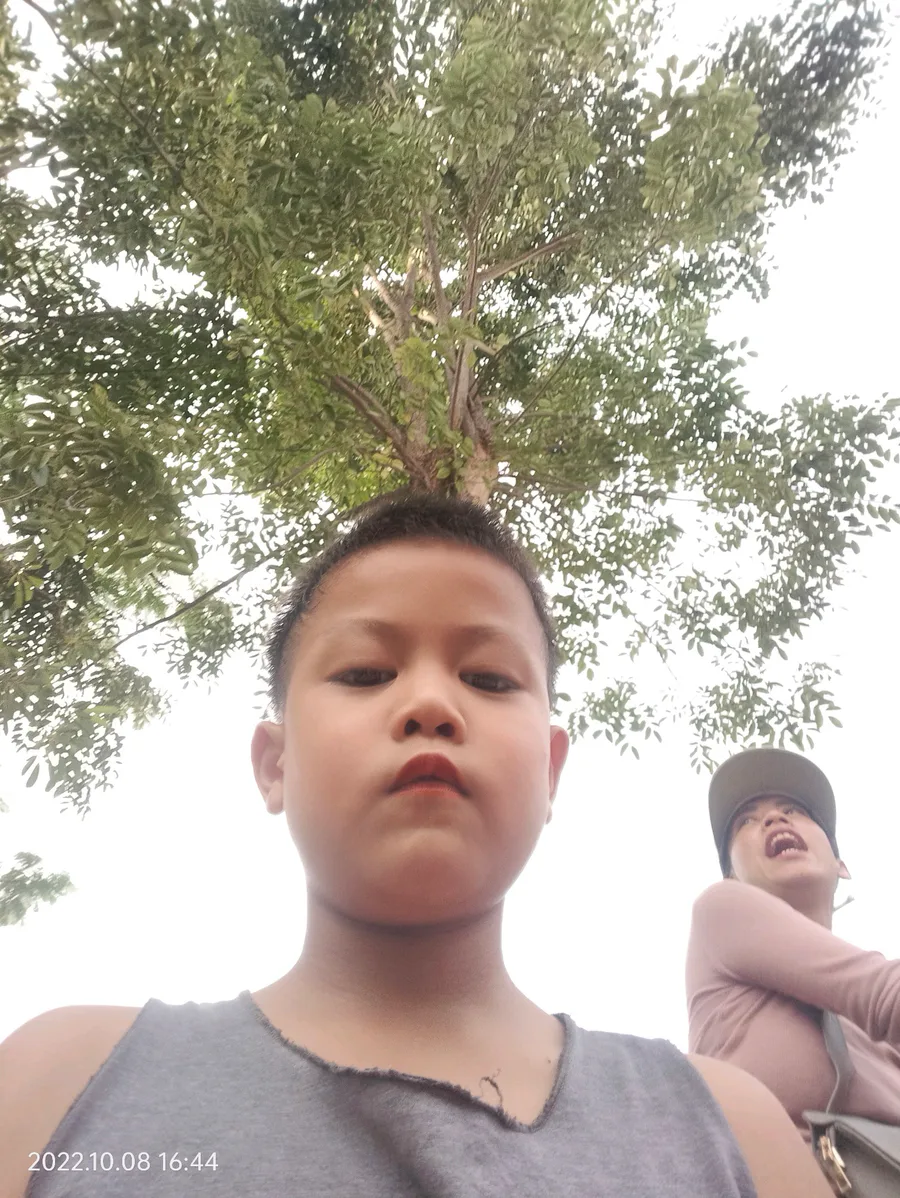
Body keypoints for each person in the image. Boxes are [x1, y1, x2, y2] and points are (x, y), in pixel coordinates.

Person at [1, 493, 830, 1197]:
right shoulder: (59, 1086)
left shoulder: (733, 1130)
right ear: (275, 764)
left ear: (550, 772)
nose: (431, 703)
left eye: (490, 679)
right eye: (365, 673)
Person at [687, 745, 900, 1144]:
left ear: (841, 866)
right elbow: (885, 995)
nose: (773, 818)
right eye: (746, 821)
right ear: (731, 878)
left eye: (795, 810)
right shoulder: (721, 909)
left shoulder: (871, 1025)